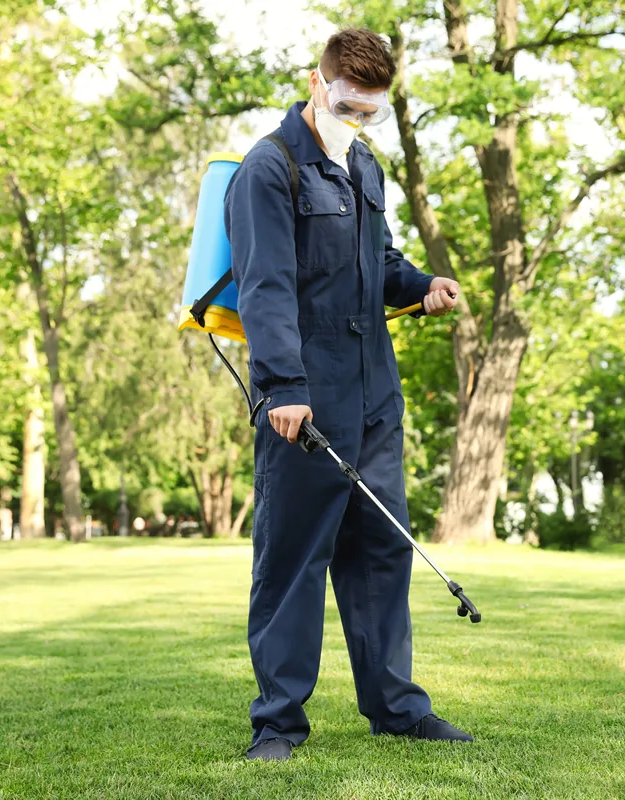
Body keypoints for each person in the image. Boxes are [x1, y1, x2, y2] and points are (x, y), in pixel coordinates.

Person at [224, 28, 470, 762]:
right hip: (304, 403)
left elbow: (379, 262)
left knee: (379, 556)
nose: (358, 122)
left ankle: (397, 709)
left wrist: (422, 284)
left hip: (374, 398)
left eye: (371, 113)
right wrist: (283, 391)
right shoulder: (267, 172)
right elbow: (264, 289)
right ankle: (277, 725)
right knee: (293, 562)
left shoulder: (363, 168)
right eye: (347, 106)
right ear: (315, 83)